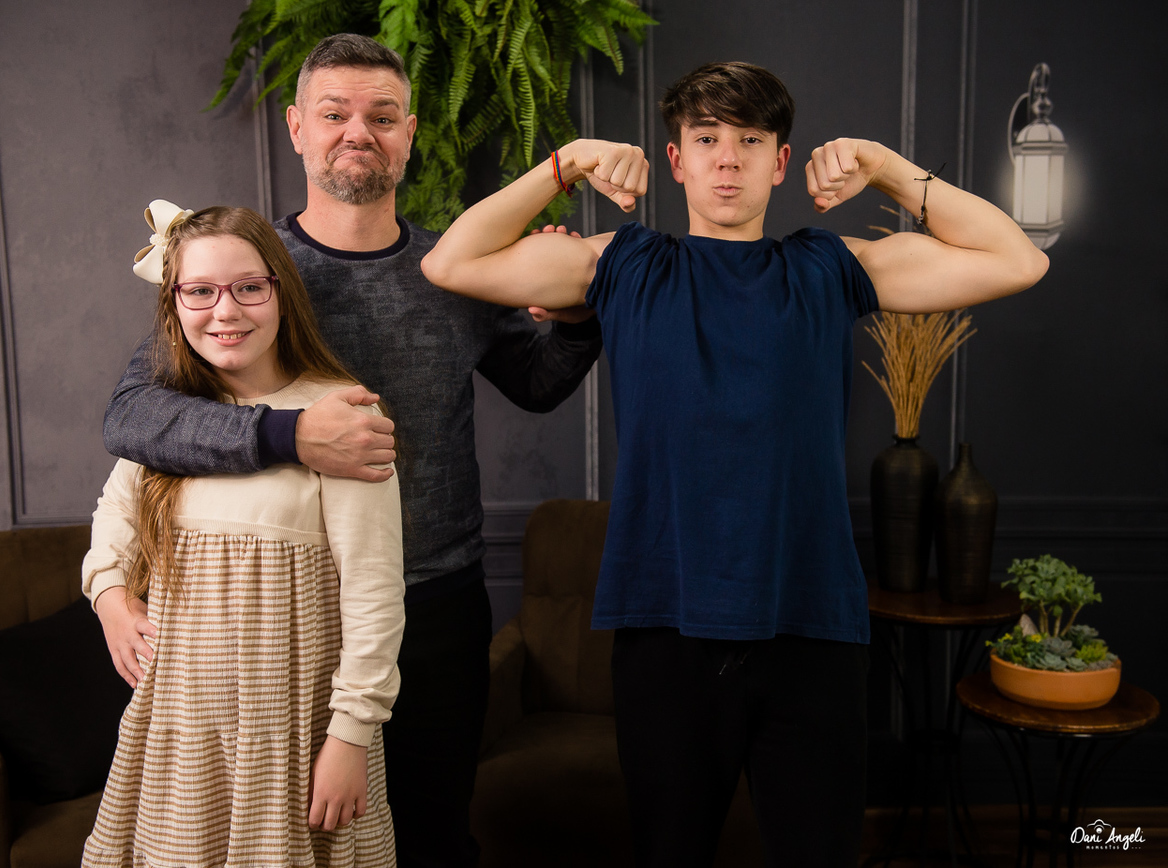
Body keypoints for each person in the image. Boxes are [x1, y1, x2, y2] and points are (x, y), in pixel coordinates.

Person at [420, 61, 1049, 866]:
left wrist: (886, 166)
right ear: (676, 159)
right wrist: (568, 162)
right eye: (707, 138)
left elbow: (1017, 259)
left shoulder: (828, 268)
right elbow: (452, 263)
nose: (727, 158)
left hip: (810, 629)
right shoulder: (624, 264)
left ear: (780, 163)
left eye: (750, 141)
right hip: (665, 629)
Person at [100, 34, 602, 868]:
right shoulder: (249, 273)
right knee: (300, 844)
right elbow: (133, 416)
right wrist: (290, 435)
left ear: (409, 135)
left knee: (433, 837)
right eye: (334, 114)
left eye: (381, 116)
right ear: (298, 128)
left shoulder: (456, 269)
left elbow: (539, 383)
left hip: (435, 608)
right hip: (284, 617)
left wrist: (578, 314)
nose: (357, 132)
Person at [82, 203, 405, 867]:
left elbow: (374, 592)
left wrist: (351, 734)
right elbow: (115, 514)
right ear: (174, 303)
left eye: (249, 287)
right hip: (182, 730)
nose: (225, 312)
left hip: (294, 732)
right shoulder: (171, 418)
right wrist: (109, 594)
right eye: (200, 291)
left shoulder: (340, 413)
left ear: (281, 291)